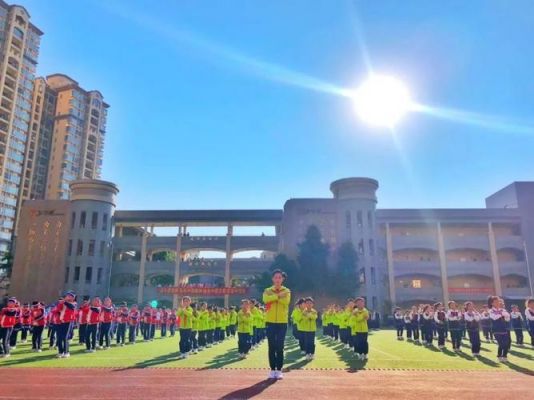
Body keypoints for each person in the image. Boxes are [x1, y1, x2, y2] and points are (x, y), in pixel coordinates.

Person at [263, 269, 291, 380]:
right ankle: (272, 369)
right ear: (272, 279)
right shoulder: (267, 290)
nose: (278, 279)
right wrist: (279, 296)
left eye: (280, 277)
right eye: (276, 277)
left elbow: (286, 302)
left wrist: (274, 297)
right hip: (270, 321)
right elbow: (266, 300)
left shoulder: (287, 291)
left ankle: (279, 370)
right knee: (271, 346)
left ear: (282, 279)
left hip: (282, 322)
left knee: (280, 346)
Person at [55, 291, 77, 358]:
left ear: (73, 298)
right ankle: (60, 352)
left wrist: (64, 302)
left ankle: (66, 352)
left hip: (68, 322)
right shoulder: (62, 303)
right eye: (67, 295)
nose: (68, 297)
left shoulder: (74, 303)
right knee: (59, 337)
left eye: (70, 296)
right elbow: (57, 311)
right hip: (60, 322)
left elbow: (71, 306)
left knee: (65, 337)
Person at [489, 295, 511, 362]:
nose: (498, 303)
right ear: (492, 303)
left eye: (498, 301)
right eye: (495, 302)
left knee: (506, 343)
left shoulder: (503, 310)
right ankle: (499, 355)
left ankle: (504, 356)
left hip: (504, 329)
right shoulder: (491, 310)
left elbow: (507, 318)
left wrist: (502, 314)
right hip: (496, 330)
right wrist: (502, 314)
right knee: (501, 344)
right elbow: (494, 317)